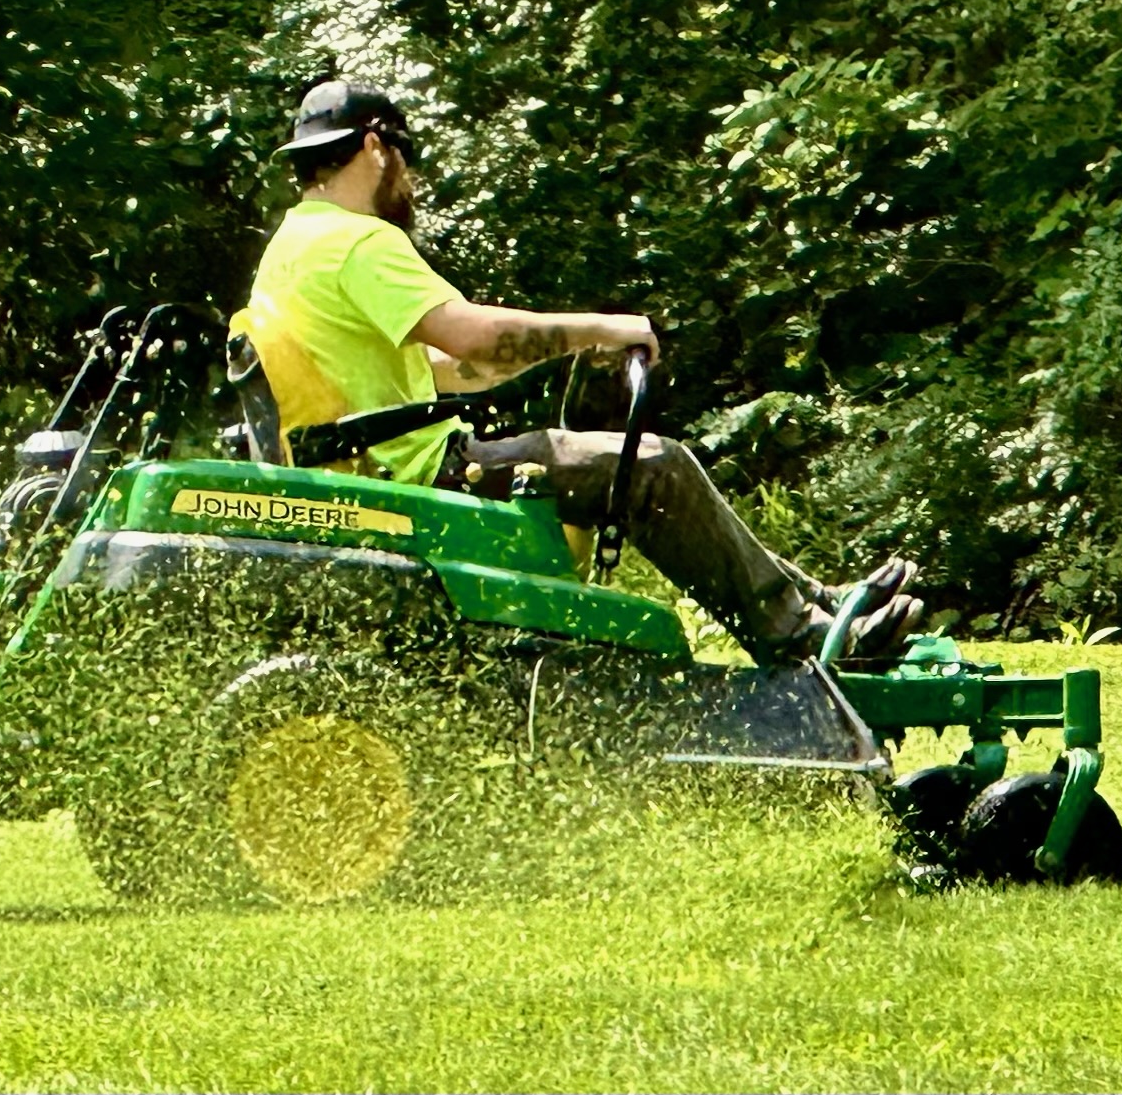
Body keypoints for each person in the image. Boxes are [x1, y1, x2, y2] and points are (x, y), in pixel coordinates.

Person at [233, 78, 923, 663]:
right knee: (654, 466)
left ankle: (819, 603)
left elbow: (445, 365)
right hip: (420, 474)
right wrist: (603, 327)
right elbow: (473, 334)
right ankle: (802, 636)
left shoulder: (293, 243)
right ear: (377, 148)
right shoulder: (359, 241)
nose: (407, 179)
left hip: (371, 464)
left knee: (632, 463)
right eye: (405, 160)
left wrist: (553, 349)